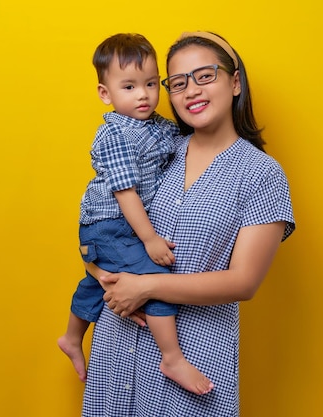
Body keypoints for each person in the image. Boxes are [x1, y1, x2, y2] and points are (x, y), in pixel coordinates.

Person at [80, 31, 296, 416]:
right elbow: (104, 219)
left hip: (194, 358)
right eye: (178, 83)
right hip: (116, 351)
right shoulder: (157, 150)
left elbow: (243, 283)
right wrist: (97, 271)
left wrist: (144, 286)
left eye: (205, 76)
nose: (191, 91)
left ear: (234, 82)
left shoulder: (262, 174)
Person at [57, 33, 214, 396]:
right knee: (154, 278)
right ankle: (172, 357)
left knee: (100, 282)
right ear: (105, 94)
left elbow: (184, 141)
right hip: (110, 223)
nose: (142, 95)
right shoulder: (115, 135)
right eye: (129, 86)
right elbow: (124, 192)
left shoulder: (156, 126)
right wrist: (150, 239)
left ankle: (71, 336)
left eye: (148, 84)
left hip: (115, 227)